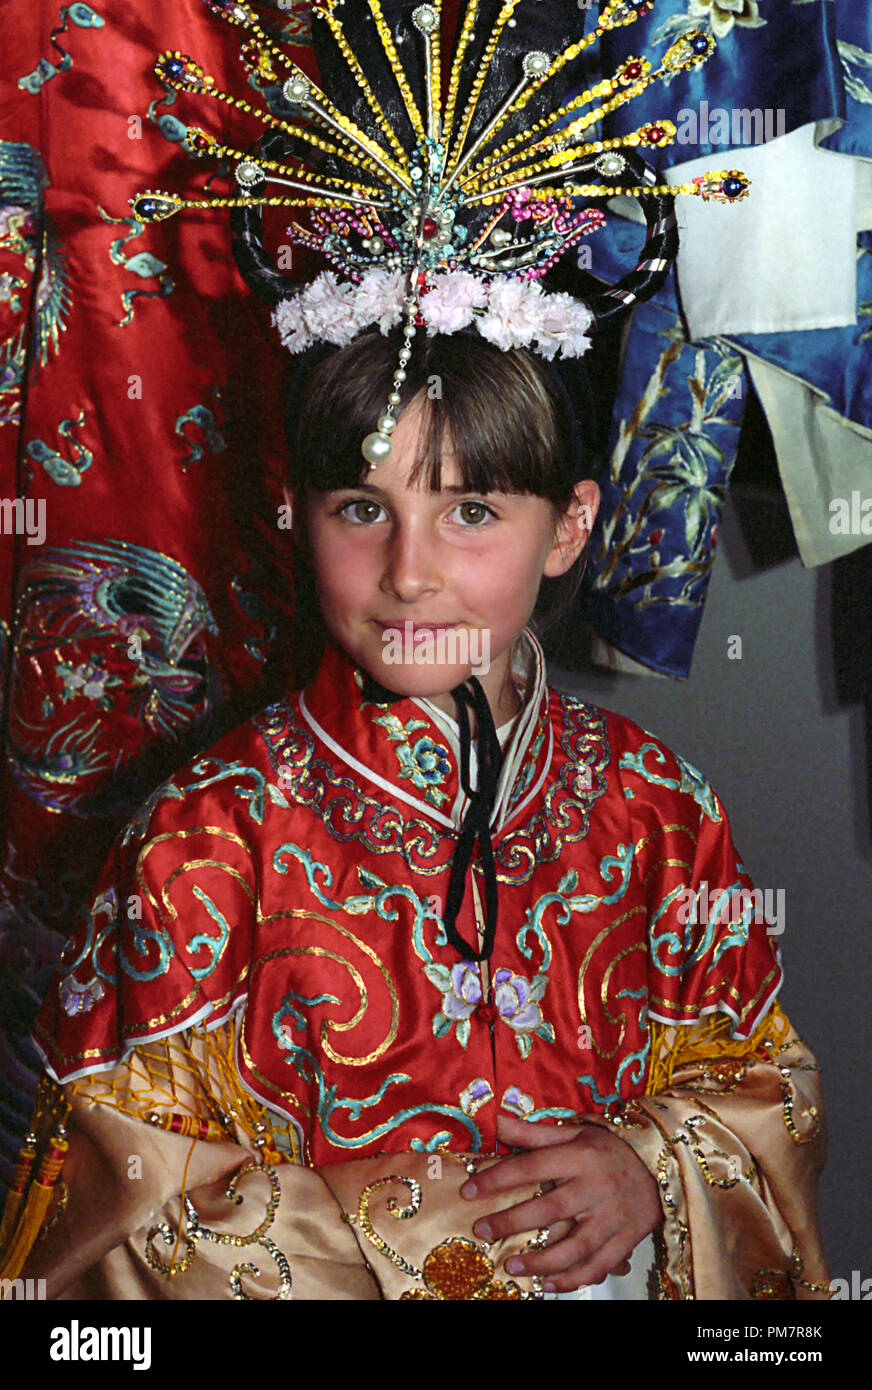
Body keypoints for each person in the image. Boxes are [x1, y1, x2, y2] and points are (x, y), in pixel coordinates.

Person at [0, 326, 829, 1300]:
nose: (405, 570)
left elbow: (768, 1089)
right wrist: (421, 1235)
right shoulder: (204, 840)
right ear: (296, 515)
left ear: (567, 526)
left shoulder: (656, 808)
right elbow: (103, 1228)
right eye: (361, 508)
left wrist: (650, 1168)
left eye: (469, 510)